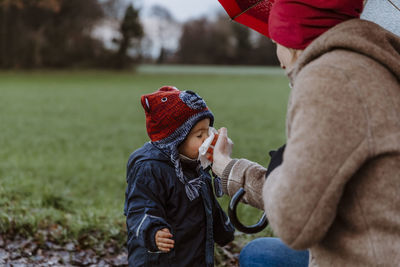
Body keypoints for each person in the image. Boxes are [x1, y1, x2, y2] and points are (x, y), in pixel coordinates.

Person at [212, 0, 400, 266]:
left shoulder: (330, 79)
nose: (278, 59)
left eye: (275, 40)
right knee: (259, 253)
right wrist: (229, 168)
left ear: (291, 36)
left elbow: (294, 222)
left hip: (367, 256)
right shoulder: (374, 63)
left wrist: (279, 168)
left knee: (258, 259)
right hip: (376, 239)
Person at [124, 86, 234, 267]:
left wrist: (224, 231)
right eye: (199, 135)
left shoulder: (198, 166)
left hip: (193, 256)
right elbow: (139, 208)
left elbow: (208, 207)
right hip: (159, 259)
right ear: (175, 141)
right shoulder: (150, 169)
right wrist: (153, 232)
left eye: (208, 130)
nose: (207, 138)